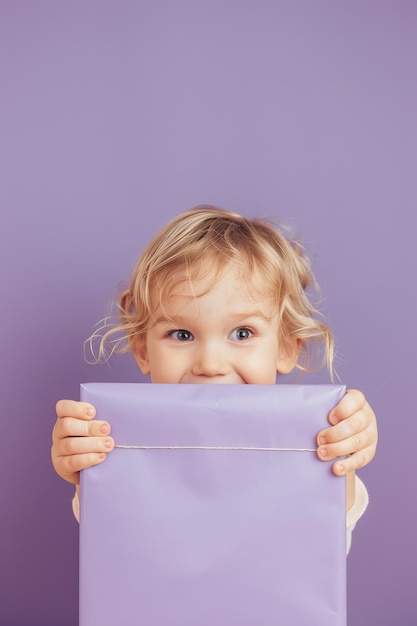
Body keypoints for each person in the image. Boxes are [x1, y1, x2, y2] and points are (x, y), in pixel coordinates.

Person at [51, 205, 377, 552]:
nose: (210, 364)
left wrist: (346, 452)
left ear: (286, 348)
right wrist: (86, 475)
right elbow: (117, 547)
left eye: (241, 333)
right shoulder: (121, 443)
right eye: (181, 335)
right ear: (143, 350)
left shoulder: (311, 438)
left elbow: (325, 546)